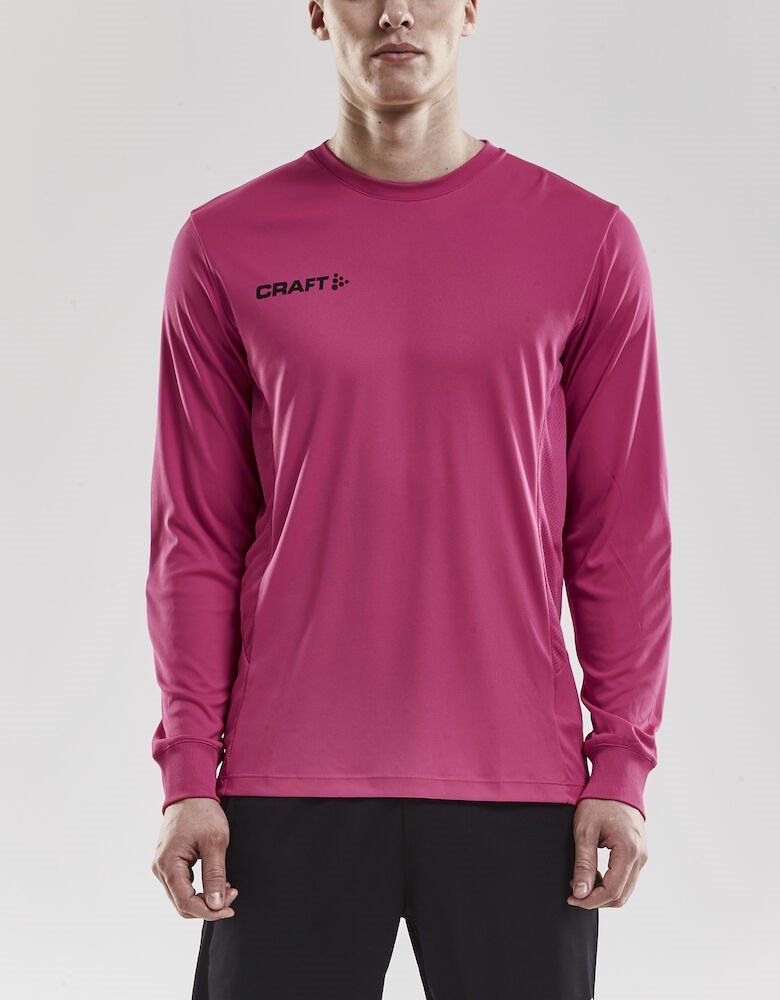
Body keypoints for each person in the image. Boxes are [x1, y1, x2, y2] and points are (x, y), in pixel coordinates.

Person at [147, 2, 672, 998]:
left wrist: (622, 764)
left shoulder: (587, 241)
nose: (395, 10)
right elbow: (197, 537)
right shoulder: (225, 244)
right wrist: (185, 772)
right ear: (316, 13)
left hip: (519, 785)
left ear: (471, 8)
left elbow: (618, 534)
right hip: (282, 781)